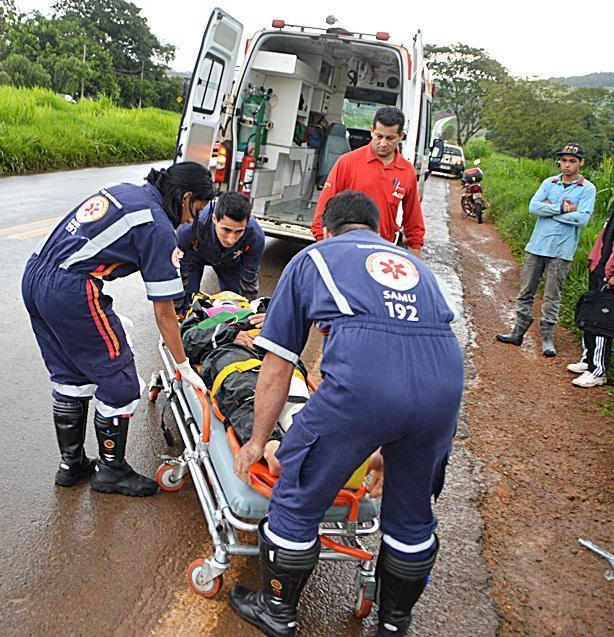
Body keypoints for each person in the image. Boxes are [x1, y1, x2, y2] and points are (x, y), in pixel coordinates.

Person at [229, 190, 464, 637]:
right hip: (443, 385)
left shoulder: (313, 259)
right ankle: (394, 623)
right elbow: (408, 355)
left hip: (362, 387)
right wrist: (387, 444)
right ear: (378, 230)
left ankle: (277, 611)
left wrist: (259, 440)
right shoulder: (416, 267)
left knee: (297, 494)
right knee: (412, 515)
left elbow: (278, 363)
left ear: (325, 227)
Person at [21, 162, 213, 497]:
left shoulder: (127, 191)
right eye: (194, 211)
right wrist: (183, 366)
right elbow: (165, 311)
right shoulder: (156, 224)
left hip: (35, 274)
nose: (189, 221)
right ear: (184, 198)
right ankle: (111, 470)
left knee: (71, 374)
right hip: (71, 290)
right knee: (120, 379)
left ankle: (71, 465)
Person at [497, 143, 597, 356]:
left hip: (562, 251)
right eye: (564, 160)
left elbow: (582, 218)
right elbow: (534, 207)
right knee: (525, 291)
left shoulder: (587, 189)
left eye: (572, 161)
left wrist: (549, 210)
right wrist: (562, 208)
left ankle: (547, 337)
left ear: (581, 163)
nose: (567, 165)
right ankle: (518, 331)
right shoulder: (549, 182)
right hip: (536, 246)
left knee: (553, 295)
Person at [311, 106, 425, 255]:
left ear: (401, 136)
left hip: (382, 250)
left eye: (390, 138)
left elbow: (413, 219)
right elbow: (324, 208)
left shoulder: (407, 171)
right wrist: (324, 245)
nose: (383, 143)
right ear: (371, 131)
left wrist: (415, 255)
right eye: (379, 136)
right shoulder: (347, 162)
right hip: (345, 248)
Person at [568, 156, 614, 387]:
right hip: (600, 266)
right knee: (591, 314)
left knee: (602, 320)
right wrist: (594, 260)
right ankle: (588, 360)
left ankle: (599, 371)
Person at [175, 191, 265, 313]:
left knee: (236, 302)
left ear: (247, 223)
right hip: (194, 255)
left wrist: (248, 314)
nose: (231, 239)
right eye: (226, 230)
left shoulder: (255, 237)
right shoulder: (190, 227)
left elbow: (249, 280)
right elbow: (176, 273)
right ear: (214, 219)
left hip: (230, 261)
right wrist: (176, 313)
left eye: (239, 231)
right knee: (187, 298)